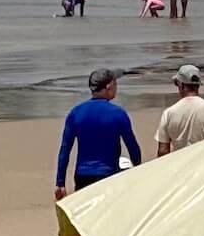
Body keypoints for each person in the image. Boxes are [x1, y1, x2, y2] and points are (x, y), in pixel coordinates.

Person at [56, 69, 142, 199]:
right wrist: (138, 169)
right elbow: (132, 146)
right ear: (109, 87)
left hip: (82, 176)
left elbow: (65, 149)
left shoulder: (75, 113)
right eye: (115, 85)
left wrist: (60, 182)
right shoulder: (118, 113)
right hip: (108, 174)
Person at [154, 64, 204, 156]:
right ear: (198, 85)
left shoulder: (169, 113)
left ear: (181, 85)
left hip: (180, 166)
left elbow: (163, 151)